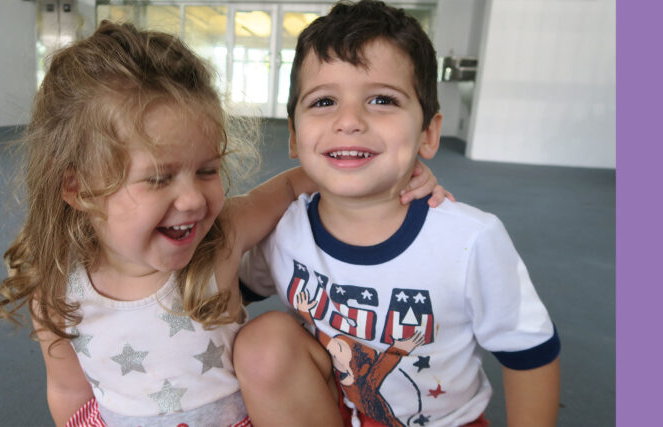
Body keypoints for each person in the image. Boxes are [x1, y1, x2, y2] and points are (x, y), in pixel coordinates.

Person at [0, 21, 445, 426]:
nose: (193, 198)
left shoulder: (222, 236)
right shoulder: (56, 288)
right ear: (79, 189)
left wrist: (392, 174)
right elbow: (69, 390)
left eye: (207, 170)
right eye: (158, 178)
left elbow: (292, 186)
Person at [235, 1, 561, 426]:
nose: (349, 120)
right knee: (262, 342)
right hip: (332, 408)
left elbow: (529, 353)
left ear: (428, 134)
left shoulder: (470, 239)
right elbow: (226, 290)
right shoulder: (285, 229)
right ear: (294, 138)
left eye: (382, 99)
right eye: (324, 101)